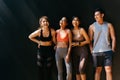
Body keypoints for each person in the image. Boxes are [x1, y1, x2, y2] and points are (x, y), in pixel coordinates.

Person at [89, 8, 116, 80]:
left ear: (102, 15)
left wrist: (112, 49)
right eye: (95, 15)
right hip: (96, 52)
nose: (96, 16)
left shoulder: (109, 25)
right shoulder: (92, 26)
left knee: (109, 70)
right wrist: (91, 50)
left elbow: (113, 38)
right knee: (98, 71)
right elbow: (90, 40)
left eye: (97, 15)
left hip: (107, 51)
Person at [28, 16, 56, 80]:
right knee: (40, 68)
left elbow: (54, 41)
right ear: (41, 23)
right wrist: (38, 42)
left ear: (48, 23)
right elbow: (30, 36)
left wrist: (56, 45)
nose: (45, 22)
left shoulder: (52, 31)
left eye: (46, 21)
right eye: (44, 21)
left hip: (49, 50)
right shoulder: (39, 31)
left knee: (48, 68)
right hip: (41, 51)